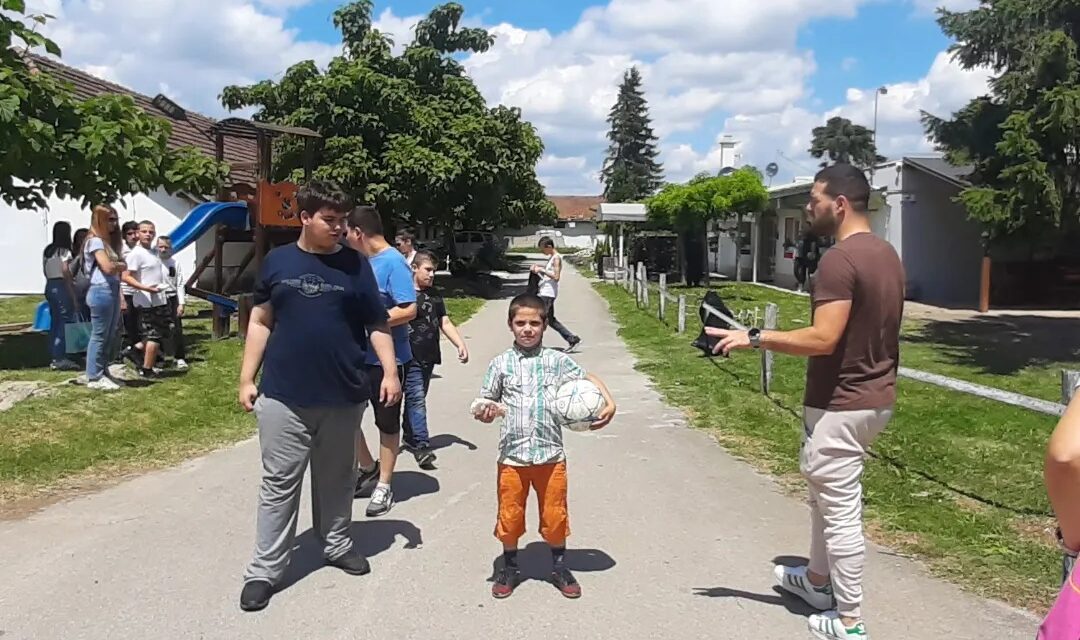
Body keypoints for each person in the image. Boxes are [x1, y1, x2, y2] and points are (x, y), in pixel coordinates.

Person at [706, 164, 904, 640]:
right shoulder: (886, 254)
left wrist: (754, 336)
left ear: (840, 204)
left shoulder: (840, 260)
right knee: (822, 499)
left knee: (839, 511)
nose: (808, 207)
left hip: (844, 401)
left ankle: (850, 620)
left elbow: (823, 338)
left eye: (814, 199)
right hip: (872, 397)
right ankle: (817, 583)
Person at [237, 180, 400, 612]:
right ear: (304, 217)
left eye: (343, 220)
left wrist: (389, 371)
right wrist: (246, 377)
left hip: (343, 394)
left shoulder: (355, 265)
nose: (339, 228)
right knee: (279, 484)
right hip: (284, 395)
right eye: (330, 220)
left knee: (337, 479)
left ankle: (336, 543)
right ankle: (265, 571)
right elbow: (260, 320)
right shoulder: (277, 261)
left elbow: (377, 323)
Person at [474, 293, 616, 600]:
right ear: (510, 325)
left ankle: (559, 566)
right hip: (512, 457)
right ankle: (510, 568)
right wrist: (487, 412)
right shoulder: (500, 364)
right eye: (520, 323)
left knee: (555, 516)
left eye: (534, 323)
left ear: (545, 325)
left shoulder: (556, 361)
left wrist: (609, 400)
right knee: (510, 516)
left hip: (551, 456)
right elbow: (486, 400)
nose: (527, 329)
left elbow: (587, 377)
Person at [345, 206, 417, 517]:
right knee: (345, 417)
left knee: (385, 423)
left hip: (387, 359)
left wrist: (372, 320)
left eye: (346, 231)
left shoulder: (393, 263)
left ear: (358, 232)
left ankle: (384, 484)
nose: (343, 237)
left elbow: (409, 309)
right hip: (355, 355)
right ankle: (367, 467)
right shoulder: (360, 262)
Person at [402, 249, 470, 469]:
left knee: (416, 398)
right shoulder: (403, 294)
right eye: (428, 270)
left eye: (434, 271)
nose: (432, 275)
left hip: (428, 356)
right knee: (417, 399)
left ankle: (409, 435)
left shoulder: (435, 294)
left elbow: (445, 322)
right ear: (414, 268)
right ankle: (422, 446)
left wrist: (460, 344)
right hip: (408, 356)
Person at [83, 205, 128, 391]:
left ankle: (103, 370)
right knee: (99, 335)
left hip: (111, 289)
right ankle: (94, 376)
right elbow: (108, 267)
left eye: (116, 219)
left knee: (110, 335)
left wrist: (117, 265)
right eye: (110, 219)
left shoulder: (108, 243)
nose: (114, 224)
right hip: (100, 290)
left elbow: (116, 266)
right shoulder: (95, 241)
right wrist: (119, 265)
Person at [122, 221, 170, 379]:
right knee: (153, 335)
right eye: (144, 231)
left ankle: (134, 350)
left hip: (159, 297)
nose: (148, 234)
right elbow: (126, 276)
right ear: (138, 234)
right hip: (145, 300)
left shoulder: (154, 252)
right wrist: (144, 288)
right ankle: (147, 369)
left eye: (151, 232)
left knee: (160, 333)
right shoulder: (135, 254)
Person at [531, 237, 580, 351]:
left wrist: (542, 270)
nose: (542, 252)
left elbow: (556, 277)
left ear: (549, 247)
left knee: (541, 319)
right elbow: (549, 275)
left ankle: (535, 344)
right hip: (545, 291)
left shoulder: (556, 259)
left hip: (548, 294)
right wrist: (538, 270)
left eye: (543, 249)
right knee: (550, 320)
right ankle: (572, 339)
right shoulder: (552, 258)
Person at [42, 221, 80, 370]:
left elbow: (44, 269)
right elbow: (65, 270)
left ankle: (54, 354)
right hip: (62, 284)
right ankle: (60, 356)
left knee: (55, 320)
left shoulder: (48, 250)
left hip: (50, 284)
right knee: (65, 320)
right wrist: (72, 287)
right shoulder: (64, 251)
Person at [157, 235, 188, 371]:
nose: (163, 250)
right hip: (157, 298)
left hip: (172, 297)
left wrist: (181, 303)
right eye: (161, 247)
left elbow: (180, 284)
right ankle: (159, 358)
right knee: (158, 329)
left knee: (176, 328)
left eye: (166, 247)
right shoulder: (153, 263)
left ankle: (179, 357)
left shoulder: (175, 263)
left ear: (170, 248)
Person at [118, 220, 141, 358]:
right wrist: (121, 298)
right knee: (128, 323)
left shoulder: (142, 250)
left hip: (141, 291)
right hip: (126, 291)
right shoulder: (121, 252)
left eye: (135, 232)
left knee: (140, 324)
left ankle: (138, 350)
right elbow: (118, 276)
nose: (133, 236)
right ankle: (128, 350)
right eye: (129, 234)